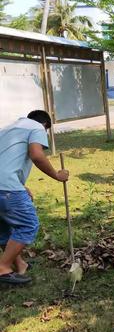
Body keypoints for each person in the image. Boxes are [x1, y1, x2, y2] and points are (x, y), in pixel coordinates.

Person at [0, 110, 69, 285]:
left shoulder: (8, 129)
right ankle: (3, 268)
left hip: (5, 185)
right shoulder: (37, 127)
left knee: (5, 228)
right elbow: (37, 155)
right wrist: (56, 175)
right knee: (28, 224)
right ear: (45, 126)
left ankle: (20, 264)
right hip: (6, 187)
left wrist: (20, 186)